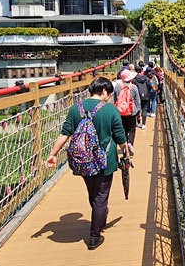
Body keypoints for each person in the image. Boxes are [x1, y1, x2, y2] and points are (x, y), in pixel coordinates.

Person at [45, 77, 128, 250]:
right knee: (101, 196)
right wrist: (126, 151)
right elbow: (120, 136)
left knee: (93, 193)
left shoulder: (76, 108)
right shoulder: (110, 110)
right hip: (106, 159)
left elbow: (65, 133)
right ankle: (94, 236)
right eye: (109, 94)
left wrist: (53, 154)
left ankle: (99, 217)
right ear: (104, 92)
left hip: (82, 159)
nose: (109, 98)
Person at [112, 69, 140, 155]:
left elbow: (115, 100)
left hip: (120, 112)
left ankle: (125, 146)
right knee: (132, 129)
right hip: (132, 112)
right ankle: (130, 144)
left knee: (123, 129)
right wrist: (138, 112)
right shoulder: (134, 87)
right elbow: (137, 101)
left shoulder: (117, 87)